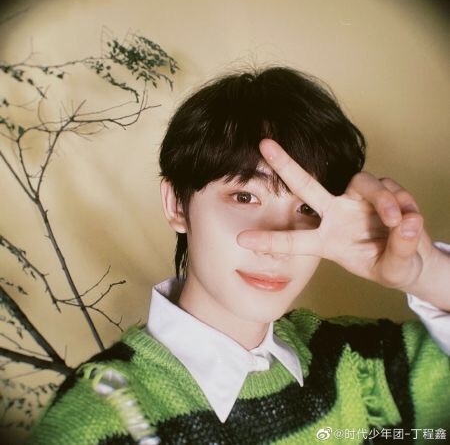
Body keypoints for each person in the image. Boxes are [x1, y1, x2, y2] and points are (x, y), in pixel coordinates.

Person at [28, 67, 449, 445]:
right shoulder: (99, 420)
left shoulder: (353, 363)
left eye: (307, 208)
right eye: (245, 196)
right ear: (177, 204)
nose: (275, 242)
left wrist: (424, 272)